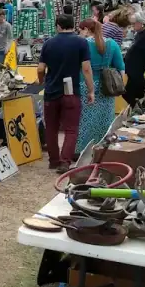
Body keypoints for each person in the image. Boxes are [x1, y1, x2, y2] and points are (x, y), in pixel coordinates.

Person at [38, 14, 94, 172]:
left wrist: (42, 81)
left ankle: (53, 160)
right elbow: (86, 68)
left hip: (51, 90)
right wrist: (91, 90)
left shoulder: (48, 43)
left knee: (51, 127)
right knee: (71, 128)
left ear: (58, 26)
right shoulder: (81, 42)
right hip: (71, 91)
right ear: (73, 25)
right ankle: (65, 161)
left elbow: (41, 68)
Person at [76, 18, 124, 153]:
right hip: (107, 86)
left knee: (84, 120)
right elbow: (121, 67)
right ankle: (102, 148)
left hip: (85, 84)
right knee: (105, 119)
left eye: (80, 29)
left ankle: (82, 150)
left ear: (86, 29)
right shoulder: (112, 44)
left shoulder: (83, 44)